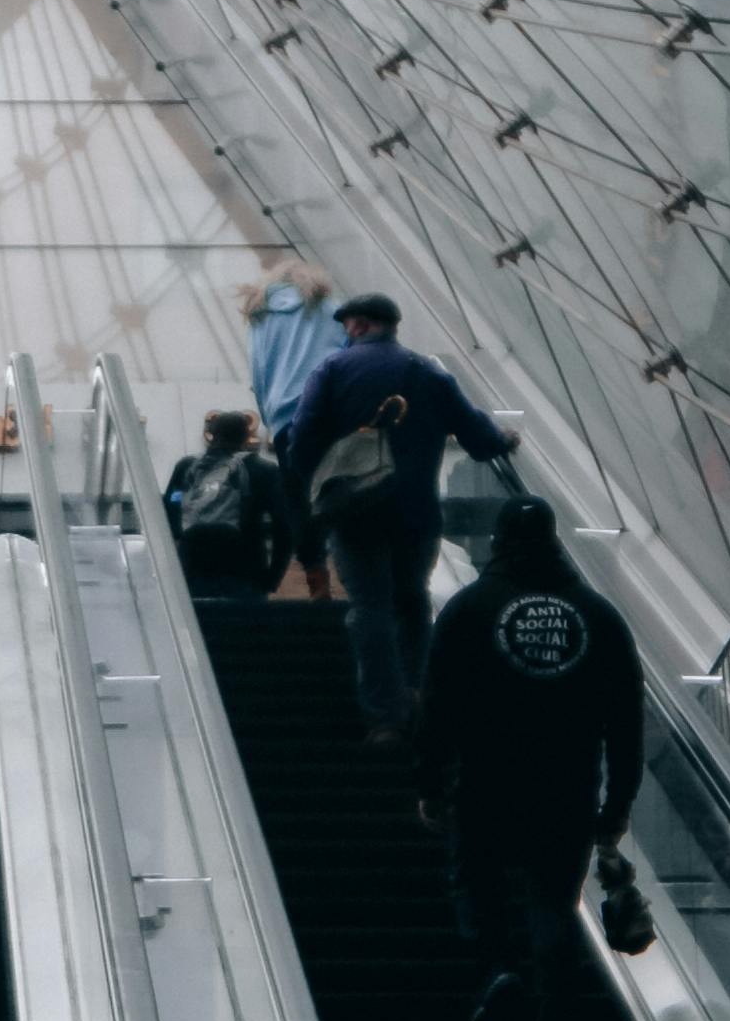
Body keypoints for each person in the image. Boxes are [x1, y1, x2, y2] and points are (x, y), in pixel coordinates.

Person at [415, 494, 644, 1021]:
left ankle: (499, 973)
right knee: (552, 904)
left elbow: (437, 704)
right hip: (567, 788)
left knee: (479, 885)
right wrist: (617, 803)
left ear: (497, 543)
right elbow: (626, 720)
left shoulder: (469, 608)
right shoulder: (598, 615)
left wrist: (429, 781)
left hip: (485, 781)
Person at [280, 293, 514, 739]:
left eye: (348, 326)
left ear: (359, 326)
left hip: (354, 513)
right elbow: (476, 435)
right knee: (412, 601)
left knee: (370, 607)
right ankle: (418, 693)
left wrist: (318, 481)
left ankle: (385, 715)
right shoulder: (427, 372)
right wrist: (502, 441)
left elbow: (302, 439)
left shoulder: (331, 370)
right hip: (416, 513)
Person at [164, 408, 293, 598]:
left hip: (193, 567)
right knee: (244, 626)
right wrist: (273, 576)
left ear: (212, 434)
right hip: (245, 569)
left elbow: (169, 509)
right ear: (247, 436)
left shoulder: (186, 467)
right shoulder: (263, 470)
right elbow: (283, 526)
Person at [236, 265, 335, 444]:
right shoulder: (331, 310)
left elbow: (259, 369)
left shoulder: (260, 315)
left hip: (279, 416)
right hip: (321, 408)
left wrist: (268, 415)